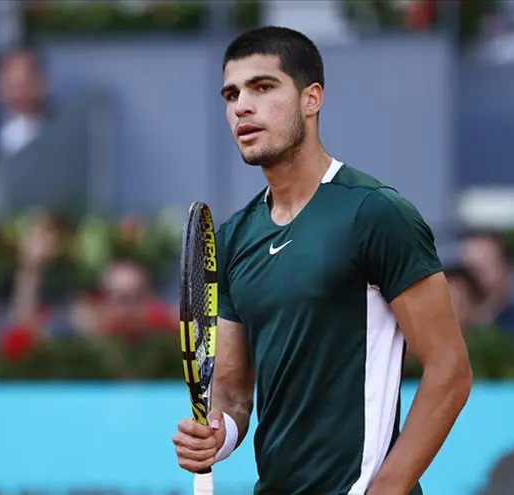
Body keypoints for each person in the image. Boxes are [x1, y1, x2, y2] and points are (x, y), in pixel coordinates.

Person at [172, 27, 472, 495]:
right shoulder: (232, 238)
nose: (242, 107)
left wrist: (387, 489)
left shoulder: (374, 213)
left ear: (311, 99)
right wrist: (217, 435)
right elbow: (231, 393)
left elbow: (449, 370)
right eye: (231, 94)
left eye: (262, 87)